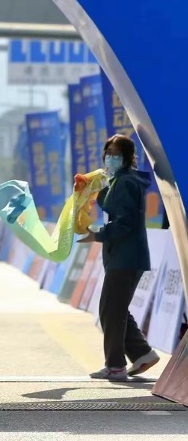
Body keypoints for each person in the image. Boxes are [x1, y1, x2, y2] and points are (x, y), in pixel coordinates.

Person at [78, 134, 160, 381]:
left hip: (126, 256)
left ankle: (115, 365)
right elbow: (113, 207)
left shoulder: (126, 183)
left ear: (127, 157)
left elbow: (125, 221)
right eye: (108, 152)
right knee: (114, 308)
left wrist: (98, 235)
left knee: (111, 310)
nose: (110, 157)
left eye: (116, 153)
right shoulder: (118, 181)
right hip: (121, 255)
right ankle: (142, 354)